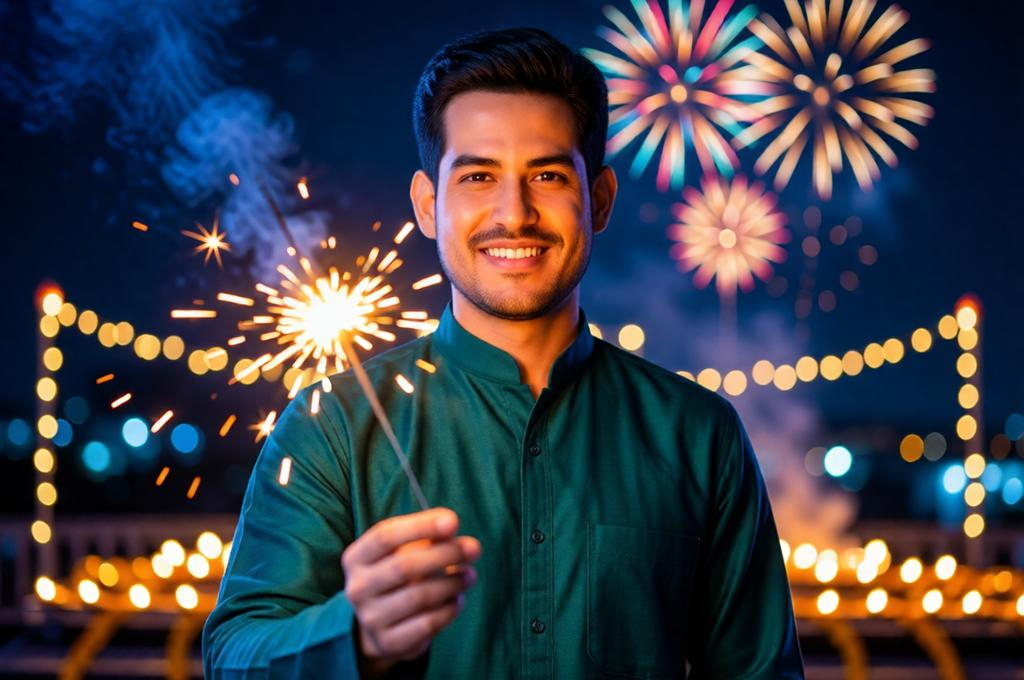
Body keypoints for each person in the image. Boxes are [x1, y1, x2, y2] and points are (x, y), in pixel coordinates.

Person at [203, 27, 804, 679]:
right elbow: (233, 657)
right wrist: (355, 635)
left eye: (547, 175)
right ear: (428, 205)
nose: (514, 214)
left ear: (600, 200)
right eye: (478, 176)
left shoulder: (699, 432)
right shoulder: (333, 426)